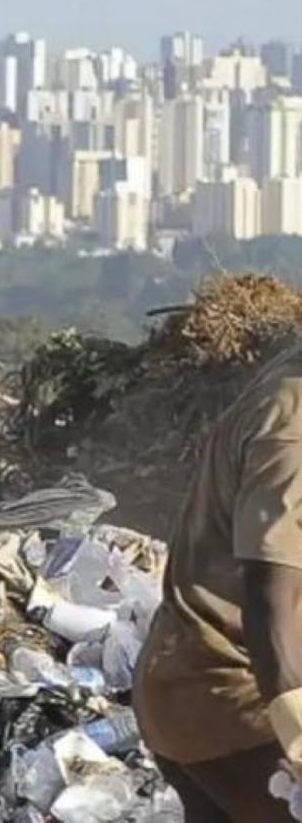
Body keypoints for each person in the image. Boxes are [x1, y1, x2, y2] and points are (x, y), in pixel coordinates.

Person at [134, 342, 302, 822]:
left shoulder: (289, 375)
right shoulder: (294, 429)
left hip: (189, 690)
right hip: (234, 701)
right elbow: (271, 601)